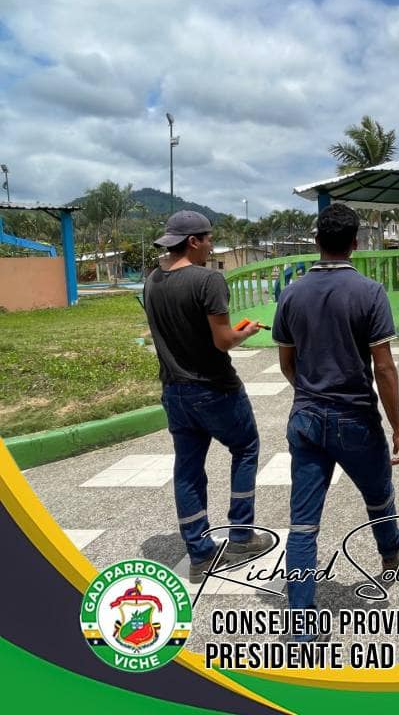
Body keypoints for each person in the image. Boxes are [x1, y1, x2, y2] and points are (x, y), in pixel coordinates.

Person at [272, 203, 399, 633]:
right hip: (355, 418)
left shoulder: (291, 294)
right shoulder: (369, 292)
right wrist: (398, 427)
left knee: (303, 523)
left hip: (305, 419)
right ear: (355, 243)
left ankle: (301, 621)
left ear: (317, 241)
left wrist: (310, 392)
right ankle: (390, 556)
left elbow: (287, 363)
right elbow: (384, 368)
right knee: (378, 494)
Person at [144, 210, 271, 583]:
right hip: (215, 389)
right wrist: (247, 331)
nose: (212, 246)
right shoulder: (208, 280)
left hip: (174, 391)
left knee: (187, 468)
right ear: (194, 241)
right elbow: (223, 341)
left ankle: (200, 554)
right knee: (245, 448)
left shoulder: (152, 281)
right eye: (209, 239)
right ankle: (241, 536)